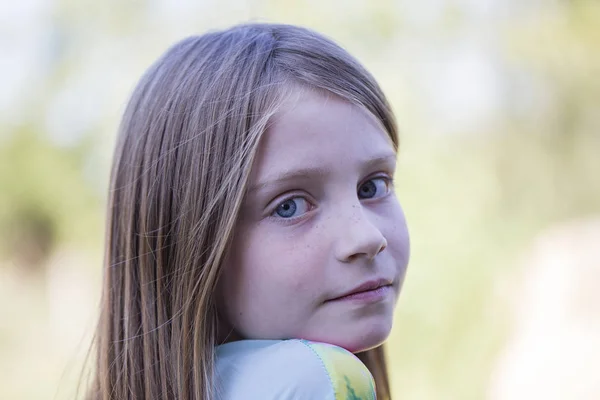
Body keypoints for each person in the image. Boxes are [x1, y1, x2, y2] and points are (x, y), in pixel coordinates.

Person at [84, 23, 410, 400]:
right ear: (186, 245)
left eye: (372, 186)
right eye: (289, 207)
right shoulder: (312, 383)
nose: (367, 237)